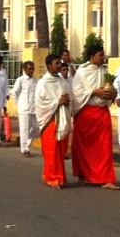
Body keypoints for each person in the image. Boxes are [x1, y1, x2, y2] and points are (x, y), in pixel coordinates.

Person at [70, 46, 120, 190]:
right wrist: (93, 92)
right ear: (91, 56)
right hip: (85, 112)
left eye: (103, 55)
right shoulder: (82, 72)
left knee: (104, 146)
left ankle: (106, 179)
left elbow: (109, 87)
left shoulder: (104, 71)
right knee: (82, 146)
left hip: (101, 112)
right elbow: (77, 92)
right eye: (100, 55)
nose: (103, 57)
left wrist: (111, 93)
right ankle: (83, 174)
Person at [35, 54, 71, 189]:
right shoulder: (43, 83)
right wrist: (57, 102)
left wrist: (67, 101)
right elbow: (40, 104)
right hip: (49, 121)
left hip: (62, 119)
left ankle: (59, 176)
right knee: (52, 151)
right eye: (57, 63)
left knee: (61, 151)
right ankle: (52, 178)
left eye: (60, 63)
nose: (60, 65)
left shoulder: (63, 81)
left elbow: (69, 96)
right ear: (49, 66)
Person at [12, 61, 38, 157]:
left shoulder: (35, 80)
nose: (31, 71)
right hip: (24, 109)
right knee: (24, 129)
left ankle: (27, 143)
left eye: (33, 69)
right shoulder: (21, 80)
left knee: (35, 127)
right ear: (25, 69)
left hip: (34, 108)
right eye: (29, 69)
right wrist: (18, 104)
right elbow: (15, 93)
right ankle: (25, 149)